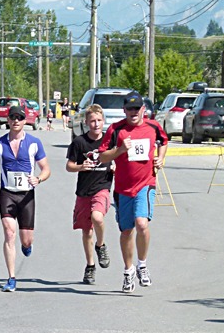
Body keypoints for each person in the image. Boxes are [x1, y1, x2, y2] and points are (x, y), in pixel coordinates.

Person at [98, 92, 168, 293]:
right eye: (130, 109)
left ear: (143, 110)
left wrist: (160, 159)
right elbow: (103, 156)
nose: (133, 112)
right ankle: (128, 272)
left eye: (137, 109)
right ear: (124, 110)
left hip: (145, 184)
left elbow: (163, 142)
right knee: (126, 230)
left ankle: (142, 265)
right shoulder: (116, 129)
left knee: (141, 223)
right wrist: (119, 150)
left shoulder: (153, 126)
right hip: (122, 188)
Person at [0, 105, 51, 292]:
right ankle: (11, 277)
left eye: (19, 117)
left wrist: (38, 178)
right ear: (8, 120)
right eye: (12, 117)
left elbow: (46, 169)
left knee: (26, 240)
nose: (16, 121)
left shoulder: (34, 143)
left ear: (24, 120)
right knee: (9, 232)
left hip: (27, 195)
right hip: (8, 194)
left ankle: (27, 246)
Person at [65, 104, 113, 285]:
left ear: (104, 121)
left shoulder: (110, 140)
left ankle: (100, 245)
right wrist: (80, 166)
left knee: (97, 217)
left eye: (99, 120)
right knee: (86, 231)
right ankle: (90, 266)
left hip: (102, 187)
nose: (96, 124)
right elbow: (69, 166)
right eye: (92, 121)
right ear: (86, 122)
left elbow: (119, 156)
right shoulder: (79, 142)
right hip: (84, 191)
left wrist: (116, 165)